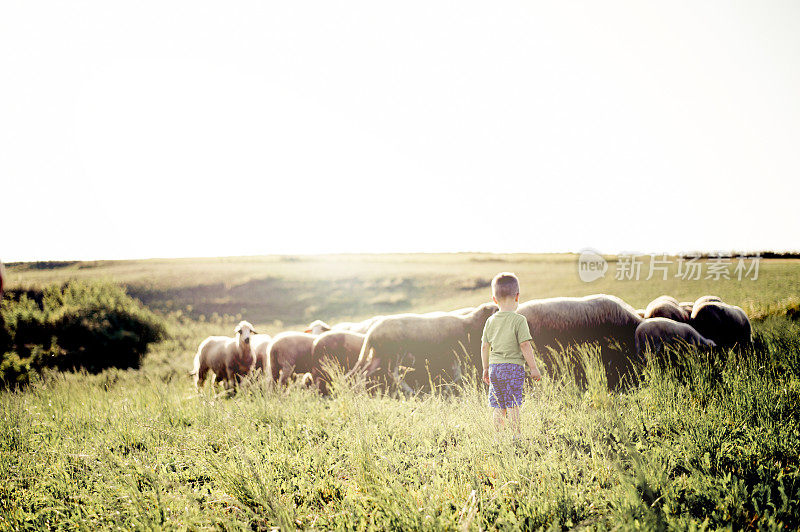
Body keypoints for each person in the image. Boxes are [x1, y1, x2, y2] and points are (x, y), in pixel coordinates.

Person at [481, 272, 541, 432]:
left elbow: (485, 346)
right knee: (513, 403)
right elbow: (525, 345)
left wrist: (486, 368)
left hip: (495, 369)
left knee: (498, 405)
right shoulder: (519, 320)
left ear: (494, 299)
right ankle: (516, 436)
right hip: (513, 368)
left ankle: (497, 437)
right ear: (517, 296)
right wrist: (533, 368)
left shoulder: (490, 321)